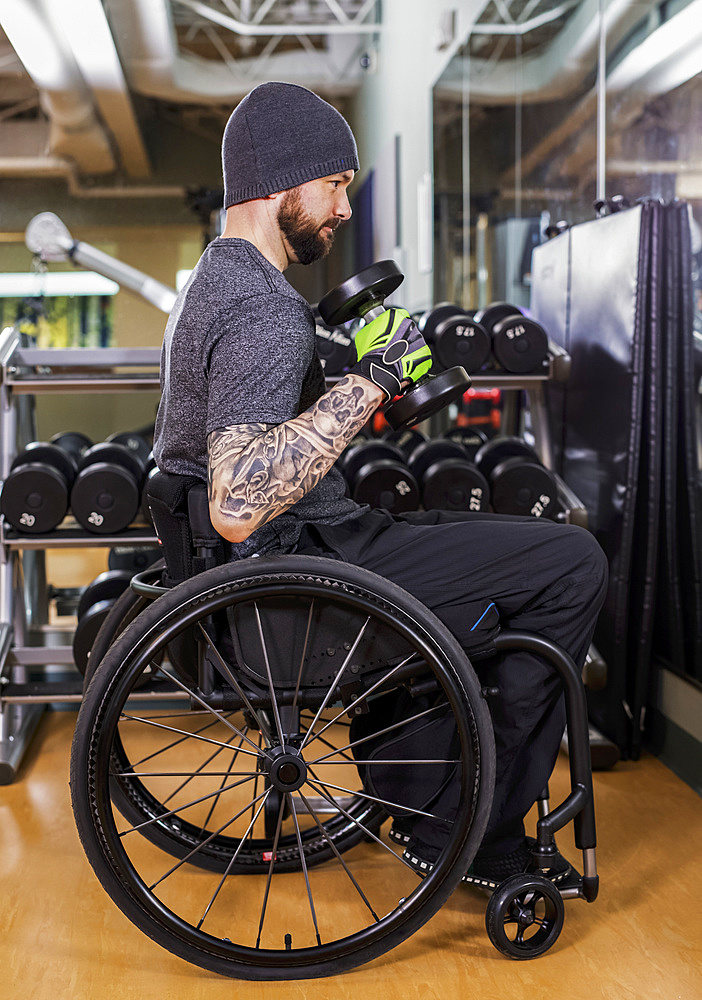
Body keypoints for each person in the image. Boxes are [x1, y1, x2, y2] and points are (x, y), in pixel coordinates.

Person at [153, 81, 608, 890]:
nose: (344, 210)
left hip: (304, 558)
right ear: (280, 182)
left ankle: (425, 794)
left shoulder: (217, 284)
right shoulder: (262, 309)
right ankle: (478, 828)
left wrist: (360, 388)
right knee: (572, 563)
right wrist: (369, 384)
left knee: (457, 534)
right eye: (335, 186)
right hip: (299, 580)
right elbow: (236, 503)